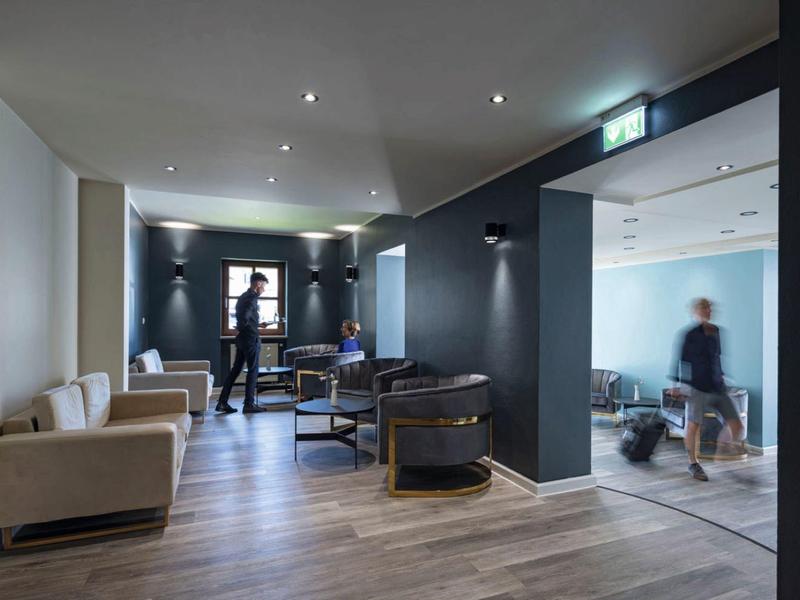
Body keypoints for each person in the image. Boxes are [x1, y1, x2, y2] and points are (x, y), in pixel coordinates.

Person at [670, 297, 745, 481]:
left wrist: (723, 377)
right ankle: (693, 463)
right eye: (704, 308)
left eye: (709, 308)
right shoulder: (689, 335)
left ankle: (722, 448)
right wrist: (676, 386)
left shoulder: (717, 331)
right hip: (697, 387)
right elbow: (679, 361)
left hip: (718, 386)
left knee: (736, 425)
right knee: (694, 426)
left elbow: (717, 357)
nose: (708, 311)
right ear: (695, 311)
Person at [216, 272, 270, 414]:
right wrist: (240, 329)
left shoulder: (243, 297)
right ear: (258, 284)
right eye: (263, 286)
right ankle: (249, 405)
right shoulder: (251, 298)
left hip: (242, 340)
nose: (263, 290)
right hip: (251, 339)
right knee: (253, 371)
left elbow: (245, 318)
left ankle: (222, 402)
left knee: (235, 370)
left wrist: (258, 324)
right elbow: (244, 318)